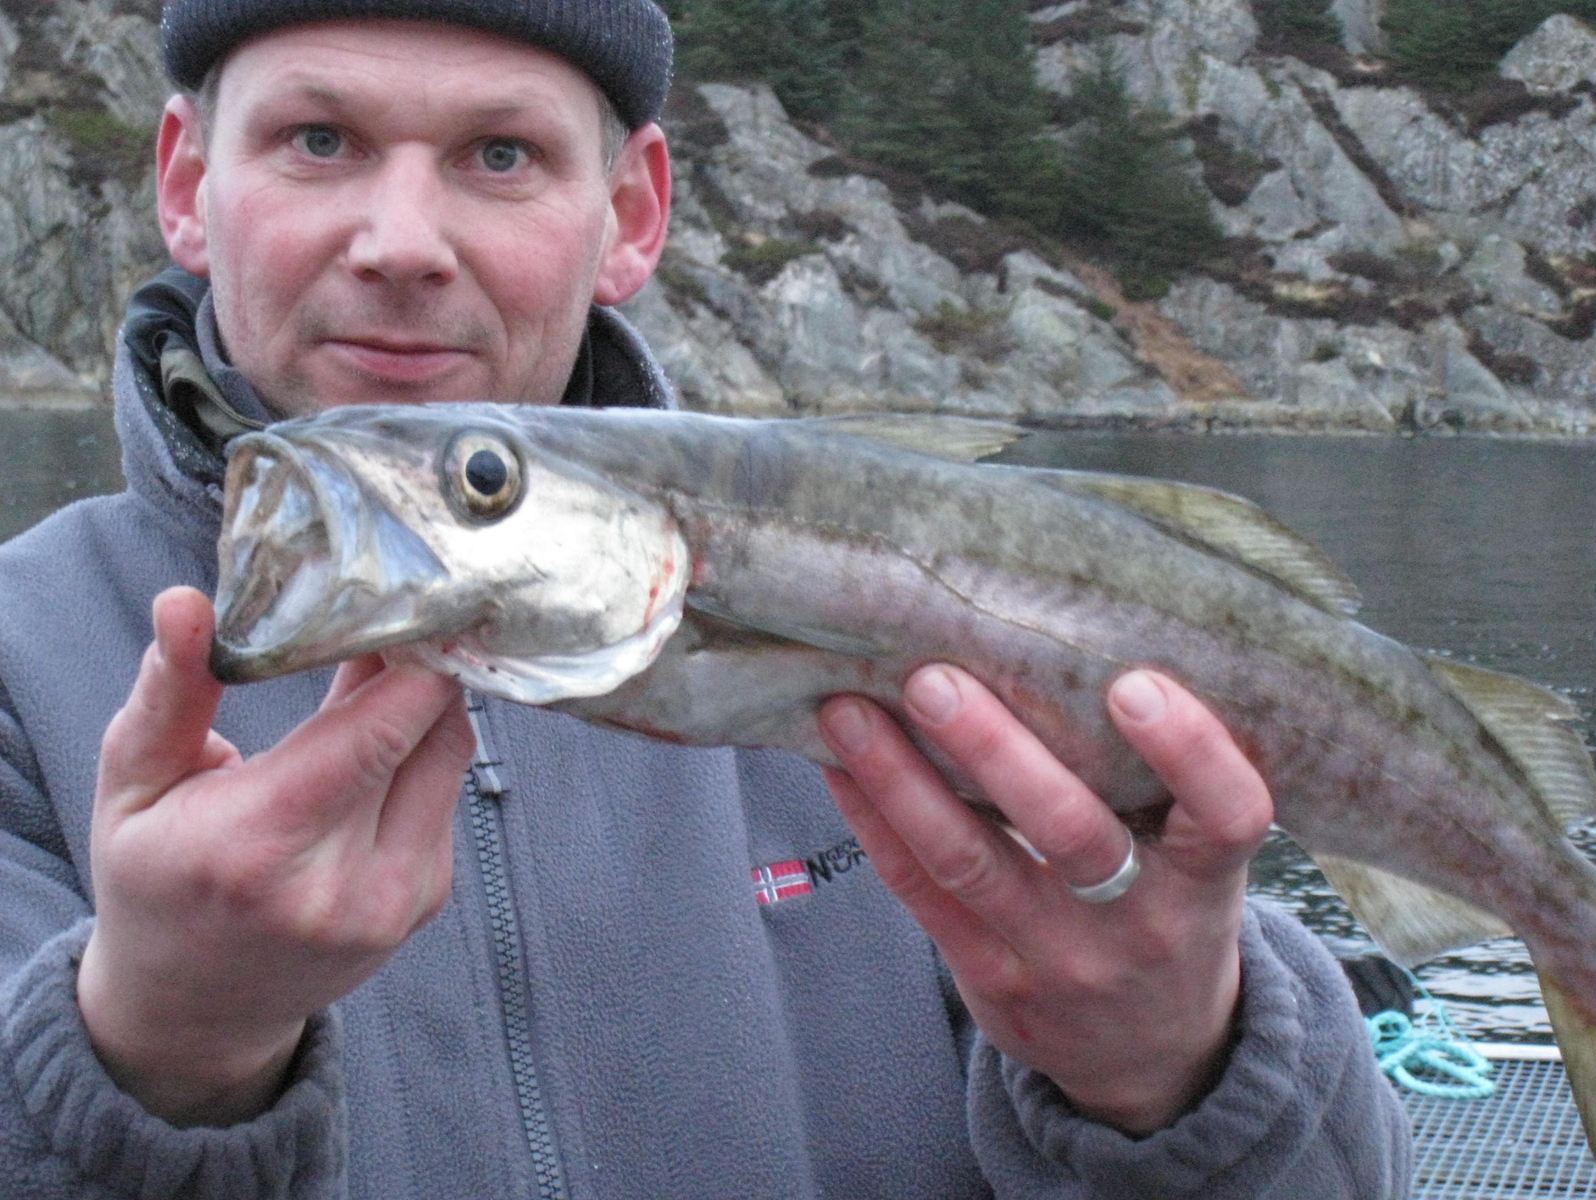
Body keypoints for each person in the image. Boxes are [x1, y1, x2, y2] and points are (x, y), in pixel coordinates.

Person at [0, 2, 1412, 1196]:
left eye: (501, 154)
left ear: (630, 215)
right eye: (319, 140)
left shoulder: (919, 621)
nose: (402, 241)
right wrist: (155, 1054)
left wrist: (1176, 1072)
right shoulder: (18, 666)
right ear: (187, 183)